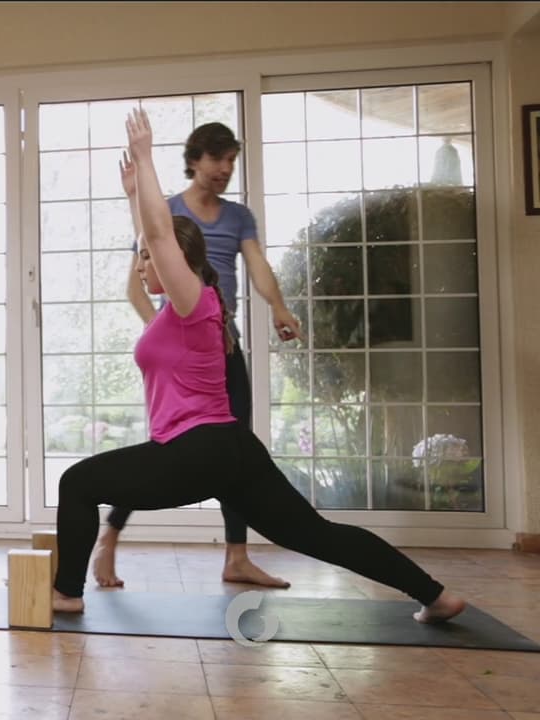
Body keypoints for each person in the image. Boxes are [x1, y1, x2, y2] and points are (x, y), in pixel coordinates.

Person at [51, 108, 466, 627]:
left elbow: (161, 238)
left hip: (195, 449)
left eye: (148, 260)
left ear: (180, 262)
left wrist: (146, 158)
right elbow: (153, 238)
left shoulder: (193, 300)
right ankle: (435, 595)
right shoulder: (179, 309)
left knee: (77, 482)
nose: (140, 266)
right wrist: (135, 196)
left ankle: (67, 593)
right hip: (226, 451)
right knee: (316, 534)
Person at [94, 121, 301, 590]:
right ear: (194, 160)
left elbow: (258, 267)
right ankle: (109, 536)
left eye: (231, 159)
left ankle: (237, 556)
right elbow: (137, 281)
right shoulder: (163, 212)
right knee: (164, 446)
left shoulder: (237, 216)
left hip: (222, 340)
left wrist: (279, 306)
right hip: (183, 345)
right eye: (217, 158)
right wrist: (160, 334)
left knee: (234, 445)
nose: (225, 168)